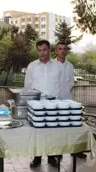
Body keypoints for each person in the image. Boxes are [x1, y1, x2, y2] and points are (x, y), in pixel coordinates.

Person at [24, 39, 64, 168]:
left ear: (50, 50)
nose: (42, 53)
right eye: (39, 50)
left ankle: (52, 157)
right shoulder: (31, 66)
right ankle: (37, 157)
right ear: (37, 51)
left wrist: (60, 103)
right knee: (38, 132)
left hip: (54, 104)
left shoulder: (58, 66)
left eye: (45, 50)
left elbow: (63, 85)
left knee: (53, 132)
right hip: (37, 105)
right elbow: (27, 85)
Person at [55, 42, 88, 159]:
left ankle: (75, 150)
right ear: (56, 51)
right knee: (56, 128)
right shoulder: (51, 65)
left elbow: (70, 83)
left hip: (67, 100)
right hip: (54, 102)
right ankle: (57, 153)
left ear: (67, 51)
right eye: (60, 49)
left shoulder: (70, 66)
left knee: (70, 126)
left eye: (64, 49)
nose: (62, 51)